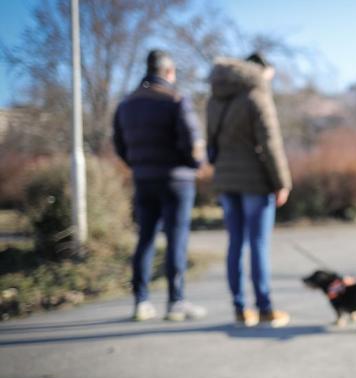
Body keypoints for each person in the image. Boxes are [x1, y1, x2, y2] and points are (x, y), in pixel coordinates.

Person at [113, 49, 206, 322]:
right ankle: (176, 302)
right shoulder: (175, 100)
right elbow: (193, 143)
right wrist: (195, 165)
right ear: (168, 72)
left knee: (145, 238)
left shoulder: (126, 104)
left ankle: (141, 302)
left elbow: (119, 145)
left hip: (143, 179)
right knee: (176, 239)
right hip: (176, 181)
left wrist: (137, 165)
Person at [207, 53, 292, 327]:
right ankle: (265, 308)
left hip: (225, 180)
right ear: (262, 72)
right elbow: (271, 143)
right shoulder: (257, 96)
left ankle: (240, 309)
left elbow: (210, 144)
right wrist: (282, 182)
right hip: (254, 181)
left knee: (235, 243)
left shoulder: (215, 98)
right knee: (257, 244)